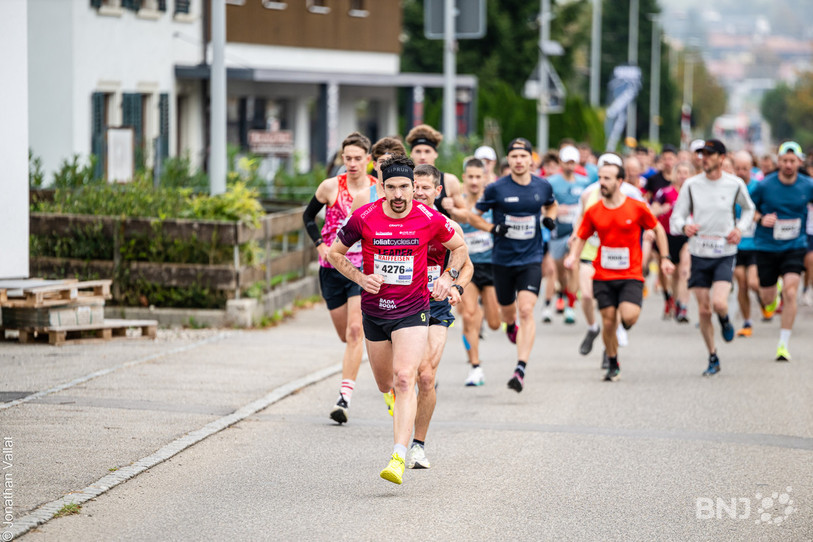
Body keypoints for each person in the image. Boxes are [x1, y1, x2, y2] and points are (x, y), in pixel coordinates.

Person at [327, 155, 468, 485]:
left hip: (413, 310)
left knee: (408, 378)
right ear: (382, 187)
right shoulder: (364, 217)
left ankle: (399, 455)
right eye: (391, 188)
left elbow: (459, 249)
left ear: (412, 186)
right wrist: (361, 279)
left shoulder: (429, 218)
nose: (400, 194)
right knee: (385, 384)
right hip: (375, 311)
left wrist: (448, 278)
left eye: (405, 187)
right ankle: (399, 419)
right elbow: (335, 253)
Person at [565, 159, 674, 381]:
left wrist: (664, 258)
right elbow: (581, 236)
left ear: (620, 181)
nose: (601, 183)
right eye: (600, 178)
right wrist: (573, 257)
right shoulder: (594, 211)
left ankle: (622, 330)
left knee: (629, 316)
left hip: (630, 274)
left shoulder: (636, 207)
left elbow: (658, 230)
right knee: (607, 321)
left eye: (607, 179)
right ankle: (612, 362)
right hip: (603, 275)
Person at [468, 137, 557, 392]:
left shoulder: (542, 185)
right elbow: (474, 216)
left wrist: (549, 219)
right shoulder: (497, 188)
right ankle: (510, 324)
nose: (519, 161)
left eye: (523, 156)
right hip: (503, 261)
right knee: (508, 312)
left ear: (531, 159)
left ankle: (520, 368)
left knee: (527, 310)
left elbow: (552, 206)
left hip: (531, 259)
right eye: (514, 156)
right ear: (510, 159)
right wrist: (493, 228)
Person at [301, 132, 377, 424]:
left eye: (358, 158)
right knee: (345, 334)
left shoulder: (374, 190)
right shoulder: (330, 187)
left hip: (360, 270)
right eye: (348, 158)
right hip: (332, 268)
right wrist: (320, 244)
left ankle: (343, 398)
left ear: (368, 160)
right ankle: (365, 355)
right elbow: (308, 217)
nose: (353, 163)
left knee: (356, 332)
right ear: (342, 159)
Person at [670, 139, 755, 376]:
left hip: (724, 253)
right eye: (701, 154)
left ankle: (726, 320)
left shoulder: (734, 184)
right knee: (704, 310)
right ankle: (713, 355)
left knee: (718, 303)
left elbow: (749, 209)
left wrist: (740, 228)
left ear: (721, 157)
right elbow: (676, 218)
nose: (703, 158)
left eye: (708, 154)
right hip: (699, 252)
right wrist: (684, 226)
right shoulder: (691, 185)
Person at [407, 164, 473, 470]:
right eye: (414, 186)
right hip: (401, 304)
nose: (418, 192)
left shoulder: (448, 226)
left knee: (426, 375)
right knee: (400, 378)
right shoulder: (396, 222)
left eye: (425, 188)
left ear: (437, 191)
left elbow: (467, 265)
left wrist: (454, 284)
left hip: (435, 306)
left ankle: (417, 446)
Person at [571, 153, 647, 361]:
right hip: (591, 251)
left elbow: (645, 223)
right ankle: (592, 327)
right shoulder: (589, 193)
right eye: (602, 171)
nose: (604, 179)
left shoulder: (632, 193)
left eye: (611, 170)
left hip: (621, 257)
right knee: (586, 296)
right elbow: (580, 220)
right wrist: (573, 245)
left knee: (614, 313)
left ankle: (610, 346)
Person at [749, 141, 813, 361]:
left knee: (791, 292)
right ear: (778, 161)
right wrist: (761, 218)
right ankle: (773, 294)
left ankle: (783, 344)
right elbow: (749, 209)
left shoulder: (807, 185)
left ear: (799, 162)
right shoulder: (764, 185)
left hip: (795, 245)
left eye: (792, 161)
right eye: (784, 160)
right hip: (767, 246)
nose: (788, 164)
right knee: (767, 300)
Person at [458, 158, 501, 386]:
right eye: (471, 176)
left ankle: (489, 313)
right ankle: (475, 367)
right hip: (468, 268)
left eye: (478, 177)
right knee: (467, 316)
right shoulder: (458, 203)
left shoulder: (492, 203)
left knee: (495, 324)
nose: (474, 181)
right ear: (465, 178)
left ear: (485, 178)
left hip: (492, 267)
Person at [546, 145, 591, 324]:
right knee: (560, 271)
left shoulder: (583, 182)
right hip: (557, 233)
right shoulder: (552, 182)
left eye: (573, 162)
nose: (570, 165)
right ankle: (562, 293)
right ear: (561, 163)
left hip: (575, 234)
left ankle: (570, 306)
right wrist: (555, 209)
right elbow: (544, 206)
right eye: (567, 162)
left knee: (572, 266)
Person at [650, 161, 693, 323]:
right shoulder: (665, 192)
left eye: (686, 172)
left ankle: (683, 306)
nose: (683, 176)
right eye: (680, 172)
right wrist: (663, 209)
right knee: (671, 274)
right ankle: (672, 299)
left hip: (686, 237)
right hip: (667, 236)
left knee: (684, 270)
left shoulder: (693, 193)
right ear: (675, 174)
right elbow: (652, 211)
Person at [405, 124, 466, 220]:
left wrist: (452, 209)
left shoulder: (449, 180)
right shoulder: (403, 179)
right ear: (411, 154)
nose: (422, 156)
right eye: (418, 151)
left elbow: (466, 216)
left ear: (435, 154)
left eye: (427, 151)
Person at [731, 150, 761, 336]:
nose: (741, 172)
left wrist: (760, 216)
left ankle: (767, 296)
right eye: (738, 168)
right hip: (736, 244)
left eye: (745, 168)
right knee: (741, 283)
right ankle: (747, 322)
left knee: (753, 283)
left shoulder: (759, 187)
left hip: (756, 244)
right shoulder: (729, 187)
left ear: (751, 169)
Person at [350, 136, 407, 212]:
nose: (386, 165)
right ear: (375, 165)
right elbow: (351, 223)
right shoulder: (363, 197)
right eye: (382, 161)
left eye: (391, 161)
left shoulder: (412, 195)